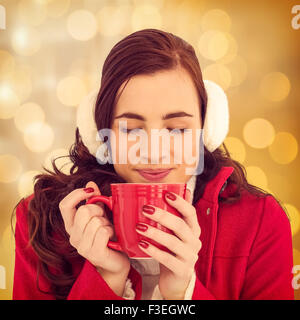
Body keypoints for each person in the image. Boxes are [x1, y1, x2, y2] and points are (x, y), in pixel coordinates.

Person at [12, 29, 294, 300]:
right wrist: (105, 280)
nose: (154, 154)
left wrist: (183, 293)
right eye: (131, 129)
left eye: (176, 129)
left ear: (206, 130)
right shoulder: (42, 220)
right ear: (101, 134)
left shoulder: (261, 223)